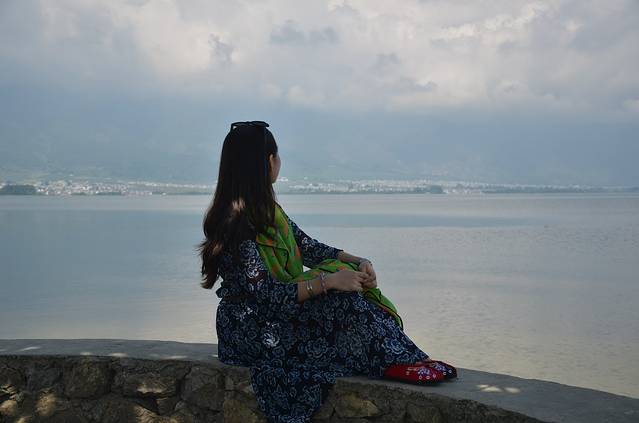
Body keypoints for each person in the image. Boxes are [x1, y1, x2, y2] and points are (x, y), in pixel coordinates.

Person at [197, 121, 457, 423]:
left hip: (274, 317)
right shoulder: (235, 223)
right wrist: (329, 281)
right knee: (342, 302)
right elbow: (265, 295)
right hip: (249, 330)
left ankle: (405, 358)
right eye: (277, 156)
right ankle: (392, 363)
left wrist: (358, 262)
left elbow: (309, 247)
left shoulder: (268, 213)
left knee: (354, 296)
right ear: (268, 162)